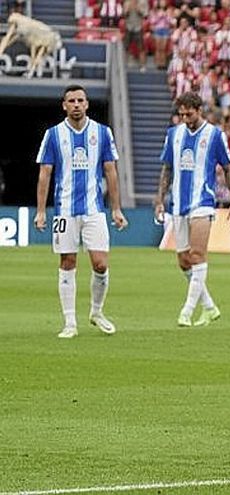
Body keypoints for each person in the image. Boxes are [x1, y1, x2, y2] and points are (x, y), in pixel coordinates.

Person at [35, 84, 128, 339]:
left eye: (80, 100)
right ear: (64, 105)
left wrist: (116, 208)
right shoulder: (53, 135)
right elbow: (45, 174)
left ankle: (96, 312)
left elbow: (110, 170)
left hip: (94, 210)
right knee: (67, 261)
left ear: (87, 104)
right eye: (71, 101)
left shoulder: (102, 132)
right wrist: (41, 211)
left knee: (100, 263)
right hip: (64, 211)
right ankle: (70, 323)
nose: (76, 104)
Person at [154, 91, 230, 327]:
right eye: (181, 114)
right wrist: (160, 198)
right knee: (183, 261)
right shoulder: (173, 135)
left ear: (199, 110)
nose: (185, 118)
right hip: (178, 203)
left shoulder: (214, 135)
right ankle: (210, 308)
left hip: (202, 202)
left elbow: (229, 169)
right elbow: (167, 168)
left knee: (197, 255)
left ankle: (187, 311)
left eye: (188, 114)